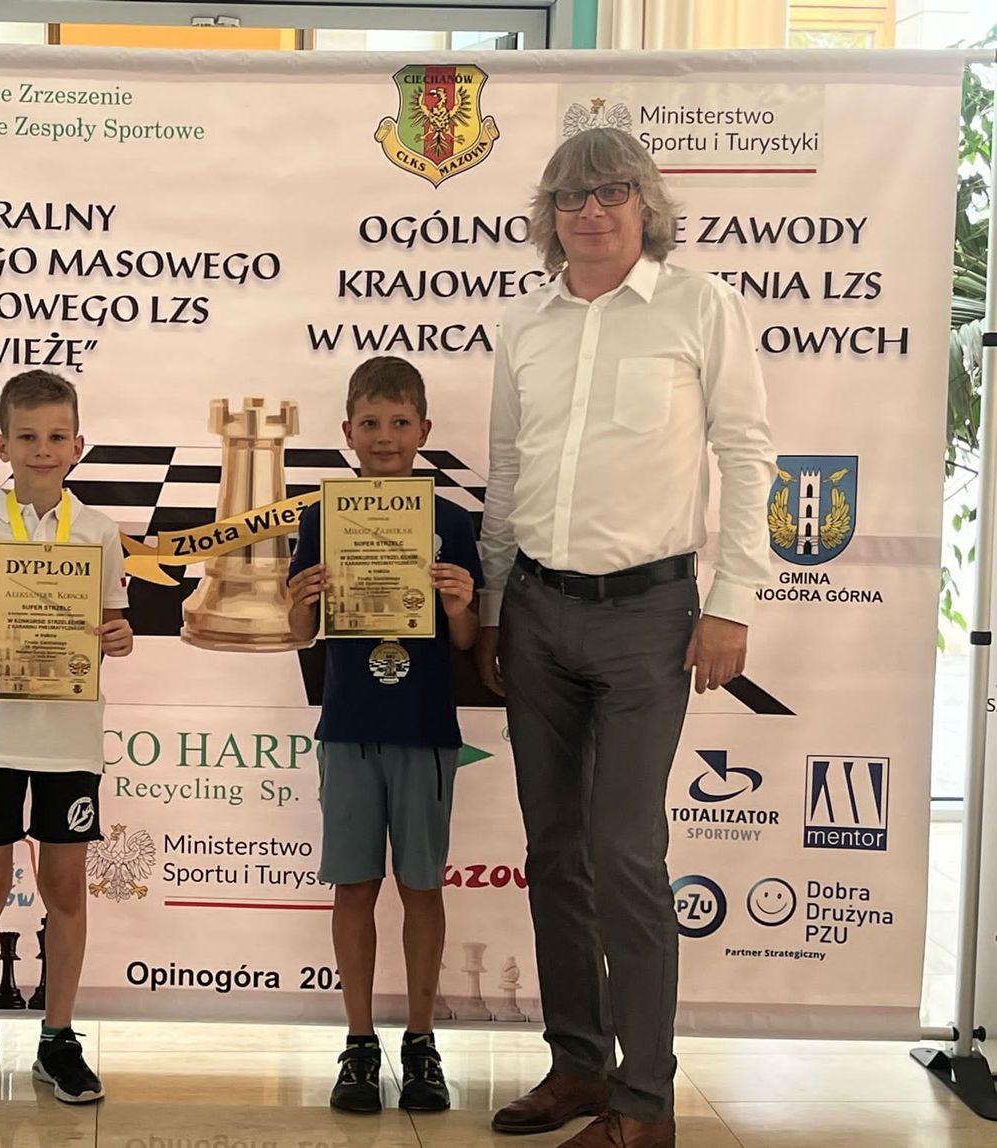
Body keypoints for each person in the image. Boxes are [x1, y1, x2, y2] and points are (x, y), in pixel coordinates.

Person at [476, 128, 773, 1148]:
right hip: (536, 610)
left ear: (646, 204)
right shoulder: (524, 323)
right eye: (571, 197)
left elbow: (748, 453)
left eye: (611, 192)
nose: (591, 211)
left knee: (626, 852)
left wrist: (733, 600)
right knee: (554, 850)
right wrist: (492, 603)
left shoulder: (700, 305)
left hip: (650, 616)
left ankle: (645, 1104)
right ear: (549, 216)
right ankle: (577, 1066)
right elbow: (507, 472)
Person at [287, 355, 484, 1114]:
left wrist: (461, 603)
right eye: (370, 423)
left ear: (424, 430)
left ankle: (423, 1042)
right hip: (349, 726)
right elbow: (301, 633)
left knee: (422, 887)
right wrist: (301, 598)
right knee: (355, 887)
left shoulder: (451, 521)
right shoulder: (321, 518)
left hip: (426, 726)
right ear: (347, 431)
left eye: (400, 422)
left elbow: (466, 640)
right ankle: (360, 1043)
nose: (385, 436)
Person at [0, 369, 133, 1108]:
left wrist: (118, 637)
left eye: (56, 437)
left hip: (68, 743)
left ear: (78, 446)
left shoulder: (99, 532)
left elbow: (114, 622)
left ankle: (58, 1038)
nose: (42, 450)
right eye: (27, 437)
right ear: (2, 445)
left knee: (65, 889)